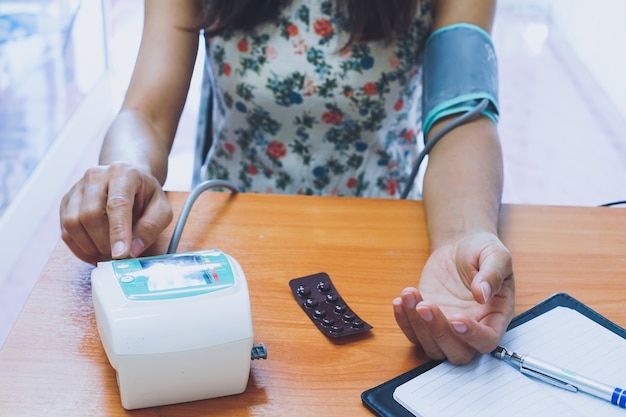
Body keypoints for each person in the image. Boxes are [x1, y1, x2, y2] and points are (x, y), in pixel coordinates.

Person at [60, 0, 514, 365]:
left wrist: (462, 235)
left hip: (384, 243)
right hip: (236, 246)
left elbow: (463, 117)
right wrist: (124, 171)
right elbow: (146, 113)